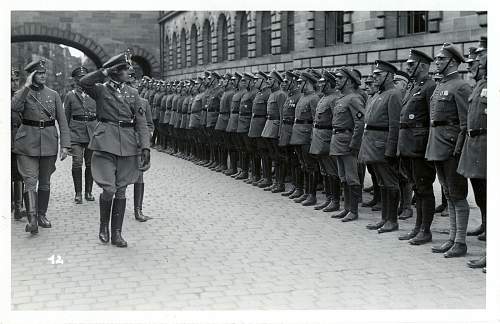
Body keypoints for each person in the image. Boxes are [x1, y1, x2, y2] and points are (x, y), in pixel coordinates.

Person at [79, 52, 151, 248]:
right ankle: (103, 226)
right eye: (126, 69)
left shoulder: (133, 93)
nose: (130, 71)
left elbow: (142, 123)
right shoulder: (101, 90)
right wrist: (103, 72)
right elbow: (84, 83)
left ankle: (117, 233)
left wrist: (145, 147)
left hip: (128, 144)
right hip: (105, 142)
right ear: (116, 71)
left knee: (121, 189)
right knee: (109, 189)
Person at [12, 59, 71, 234]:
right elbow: (14, 107)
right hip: (26, 143)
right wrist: (26, 88)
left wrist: (65, 145)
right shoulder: (23, 93)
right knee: (30, 181)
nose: (43, 75)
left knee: (45, 181)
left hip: (48, 142)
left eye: (44, 73)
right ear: (31, 76)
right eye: (39, 73)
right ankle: (32, 220)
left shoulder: (53, 94)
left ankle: (42, 214)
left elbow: (62, 121)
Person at [427, 43, 472, 258]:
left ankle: (460, 241)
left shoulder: (461, 86)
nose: (437, 63)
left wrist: (458, 149)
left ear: (452, 62)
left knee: (457, 194)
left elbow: (465, 123)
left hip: (452, 148)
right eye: (436, 59)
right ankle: (452, 238)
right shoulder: (441, 85)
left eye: (440, 60)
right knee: (448, 194)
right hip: (437, 145)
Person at [397, 49, 437, 245]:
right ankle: (417, 227)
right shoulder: (414, 87)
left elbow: (432, 120)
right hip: (408, 144)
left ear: (422, 66)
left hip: (420, 146)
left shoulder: (430, 87)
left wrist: (429, 147)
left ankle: (425, 230)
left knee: (424, 188)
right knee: (416, 188)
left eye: (411, 65)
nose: (407, 68)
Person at [359, 60, 402, 233]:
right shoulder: (376, 95)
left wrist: (391, 149)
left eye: (378, 75)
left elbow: (395, 124)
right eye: (374, 74)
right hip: (372, 144)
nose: (374, 77)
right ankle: (384, 218)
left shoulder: (394, 94)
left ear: (389, 76)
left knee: (390, 183)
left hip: (383, 145)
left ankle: (392, 220)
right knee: (382, 183)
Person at [458, 37, 487, 270]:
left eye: (479, 58)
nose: (474, 64)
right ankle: (486, 225)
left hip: (487, 144)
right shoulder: (479, 84)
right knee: (480, 194)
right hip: (475, 143)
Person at [329, 67, 365, 222]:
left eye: (340, 78)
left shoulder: (354, 98)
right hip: (338, 140)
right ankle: (347, 208)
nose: (336, 80)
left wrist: (354, 143)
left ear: (349, 81)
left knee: (352, 178)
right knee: (343, 177)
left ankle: (354, 211)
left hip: (347, 142)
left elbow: (360, 122)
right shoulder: (340, 99)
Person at [64, 66, 98, 204]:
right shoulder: (70, 95)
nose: (81, 81)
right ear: (75, 80)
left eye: (84, 78)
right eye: (79, 79)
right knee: (77, 163)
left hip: (91, 133)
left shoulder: (94, 94)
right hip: (75, 134)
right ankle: (78, 193)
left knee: (90, 164)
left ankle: (88, 192)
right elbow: (65, 119)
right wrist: (65, 140)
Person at [308, 70, 341, 211]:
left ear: (330, 83)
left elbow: (336, 121)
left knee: (332, 171)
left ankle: (335, 200)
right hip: (319, 136)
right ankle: (328, 198)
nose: (320, 85)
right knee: (324, 170)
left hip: (327, 137)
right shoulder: (323, 98)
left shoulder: (334, 98)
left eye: (323, 82)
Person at [289, 71, 320, 206]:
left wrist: (313, 136)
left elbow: (315, 119)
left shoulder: (314, 98)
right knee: (303, 165)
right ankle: (305, 192)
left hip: (307, 135)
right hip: (298, 134)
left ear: (308, 83)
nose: (299, 84)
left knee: (310, 166)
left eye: (301, 82)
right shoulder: (303, 97)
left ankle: (311, 195)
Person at [129, 69, 154, 222]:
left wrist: (145, 139)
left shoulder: (144, 103)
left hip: (137, 145)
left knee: (139, 176)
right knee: (121, 179)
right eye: (128, 83)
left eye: (134, 83)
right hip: (121, 143)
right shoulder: (119, 101)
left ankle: (138, 210)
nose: (132, 86)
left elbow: (149, 124)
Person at [261, 70, 287, 192]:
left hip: (276, 127)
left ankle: (280, 183)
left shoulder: (280, 94)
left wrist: (281, 132)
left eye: (270, 79)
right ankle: (275, 182)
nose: (268, 81)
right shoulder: (272, 94)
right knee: (273, 156)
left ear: (276, 81)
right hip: (269, 126)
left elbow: (282, 114)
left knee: (279, 157)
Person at [11, 67, 26, 220]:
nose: (14, 84)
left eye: (16, 80)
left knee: (18, 175)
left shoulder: (19, 97)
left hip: (17, 141)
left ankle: (18, 208)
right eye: (11, 80)